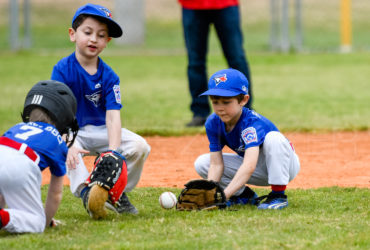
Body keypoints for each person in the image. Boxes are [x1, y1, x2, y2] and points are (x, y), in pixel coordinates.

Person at [51, 3, 150, 215]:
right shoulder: (62, 70)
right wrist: (68, 143)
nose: (94, 39)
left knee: (140, 146)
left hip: (101, 131)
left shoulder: (110, 76)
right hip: (74, 131)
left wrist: (113, 153)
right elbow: (58, 112)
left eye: (101, 35)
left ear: (107, 41)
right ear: (73, 34)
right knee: (69, 149)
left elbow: (113, 117)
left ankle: (116, 193)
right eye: (87, 32)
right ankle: (86, 193)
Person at [194, 68, 300, 209]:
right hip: (258, 169)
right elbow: (216, 165)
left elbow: (249, 165)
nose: (220, 108)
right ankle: (243, 196)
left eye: (226, 102)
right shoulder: (213, 122)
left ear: (243, 100)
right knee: (203, 163)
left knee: (274, 138)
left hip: (284, 167)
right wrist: (211, 194)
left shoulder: (251, 124)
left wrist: (224, 196)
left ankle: (278, 196)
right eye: (215, 101)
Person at [0, 80, 79, 233]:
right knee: (36, 223)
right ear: (63, 117)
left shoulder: (17, 127)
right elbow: (55, 193)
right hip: (20, 163)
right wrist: (45, 221)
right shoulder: (57, 138)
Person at [178, 0, 253, 127]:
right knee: (195, 62)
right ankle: (199, 112)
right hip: (192, 5)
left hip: (225, 4)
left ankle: (245, 110)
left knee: (236, 59)